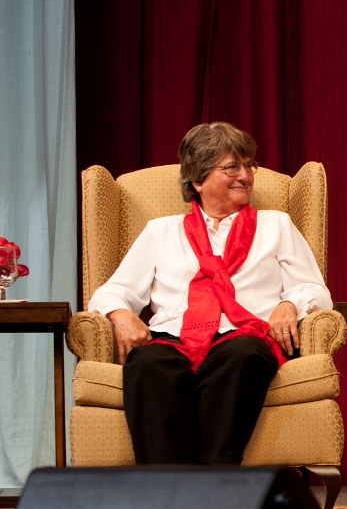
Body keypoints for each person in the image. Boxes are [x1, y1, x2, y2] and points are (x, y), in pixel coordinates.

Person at [88, 122, 332, 465]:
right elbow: (113, 291)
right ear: (197, 180)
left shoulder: (275, 225)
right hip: (175, 338)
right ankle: (165, 489)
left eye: (249, 166)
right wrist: (121, 314)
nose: (245, 176)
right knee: (147, 363)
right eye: (232, 167)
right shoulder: (161, 232)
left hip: (246, 336)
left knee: (241, 354)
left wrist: (291, 303)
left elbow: (314, 288)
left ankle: (213, 478)